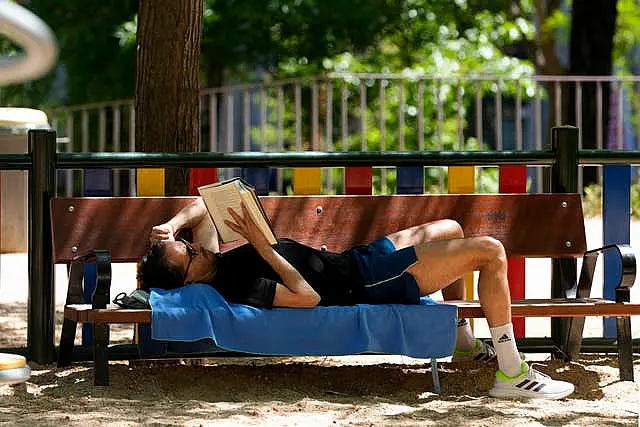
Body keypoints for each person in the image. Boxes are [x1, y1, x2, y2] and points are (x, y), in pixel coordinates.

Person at [138, 197, 574, 400]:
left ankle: (459, 337)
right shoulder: (235, 287)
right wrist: (262, 244)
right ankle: (512, 373)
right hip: (365, 285)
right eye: (190, 254)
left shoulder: (209, 258)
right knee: (490, 251)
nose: (198, 247)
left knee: (452, 229)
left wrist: (172, 227)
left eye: (190, 243)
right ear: (188, 282)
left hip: (357, 261)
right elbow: (307, 299)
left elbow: (204, 205)